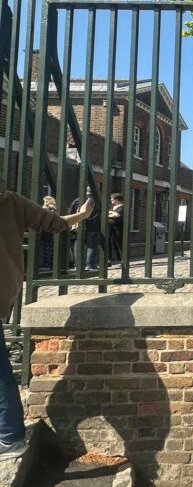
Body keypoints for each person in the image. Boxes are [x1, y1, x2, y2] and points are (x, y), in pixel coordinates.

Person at [0, 175, 92, 460]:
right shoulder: (10, 199)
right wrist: (83, 214)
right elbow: (54, 223)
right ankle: (8, 435)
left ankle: (9, 436)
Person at [70, 188, 100, 271]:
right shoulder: (97, 201)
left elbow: (71, 212)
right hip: (93, 226)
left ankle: (77, 265)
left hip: (79, 225)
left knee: (78, 245)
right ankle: (90, 265)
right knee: (91, 246)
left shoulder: (78, 200)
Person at [39, 196, 57, 270]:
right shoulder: (53, 208)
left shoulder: (50, 208)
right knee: (47, 247)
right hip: (48, 230)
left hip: (46, 230)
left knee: (46, 247)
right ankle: (47, 264)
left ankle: (46, 265)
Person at [108, 193, 124, 263]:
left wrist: (112, 213)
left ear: (116, 199)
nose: (110, 200)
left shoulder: (122, 207)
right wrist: (113, 213)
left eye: (112, 198)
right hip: (110, 227)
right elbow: (109, 214)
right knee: (110, 242)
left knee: (118, 242)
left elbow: (117, 215)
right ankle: (109, 259)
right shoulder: (112, 207)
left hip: (118, 228)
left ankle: (121, 259)